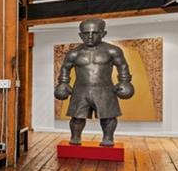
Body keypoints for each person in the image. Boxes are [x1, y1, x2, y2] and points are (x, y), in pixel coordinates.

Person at [54, 18, 134, 146]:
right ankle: (75, 137)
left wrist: (124, 81)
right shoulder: (74, 53)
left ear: (103, 33)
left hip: (105, 89)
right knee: (77, 118)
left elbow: (122, 66)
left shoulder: (113, 50)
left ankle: (108, 138)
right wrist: (63, 82)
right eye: (86, 33)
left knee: (108, 117)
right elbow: (65, 68)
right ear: (80, 35)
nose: (90, 36)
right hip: (80, 90)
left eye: (95, 33)